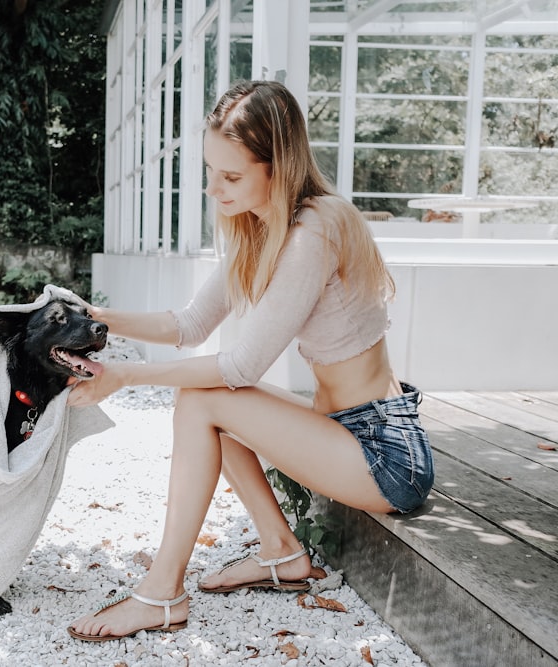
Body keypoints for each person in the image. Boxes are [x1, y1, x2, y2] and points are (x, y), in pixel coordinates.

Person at [65, 80, 434, 642]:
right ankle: (281, 552)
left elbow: (239, 368)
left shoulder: (314, 232)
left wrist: (128, 375)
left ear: (278, 167)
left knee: (205, 397)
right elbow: (186, 326)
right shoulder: (264, 226)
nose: (215, 188)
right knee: (210, 401)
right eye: (211, 170)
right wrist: (94, 315)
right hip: (341, 428)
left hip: (384, 454)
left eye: (231, 176)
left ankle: (162, 592)